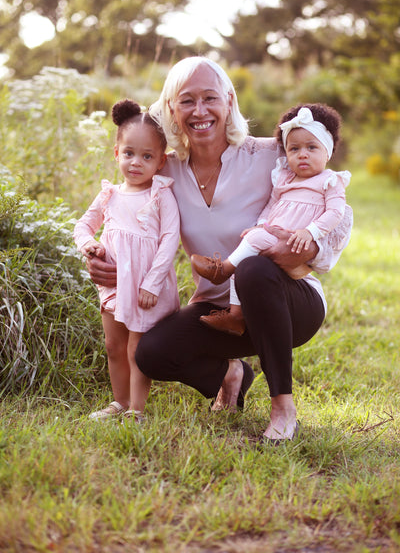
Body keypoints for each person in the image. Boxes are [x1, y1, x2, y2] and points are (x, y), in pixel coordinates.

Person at [87, 57, 352, 444]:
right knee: (152, 353)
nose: (200, 111)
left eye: (210, 98)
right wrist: (106, 262)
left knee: (252, 270)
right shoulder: (164, 171)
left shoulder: (269, 156)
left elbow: (337, 204)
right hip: (215, 309)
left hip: (287, 301)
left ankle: (283, 407)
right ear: (171, 110)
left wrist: (311, 247)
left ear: (228, 101)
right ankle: (232, 375)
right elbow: (126, 217)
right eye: (187, 100)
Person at [191, 104, 351, 337]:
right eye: (294, 149)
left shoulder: (330, 181)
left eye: (311, 147)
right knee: (247, 253)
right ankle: (236, 316)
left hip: (295, 241)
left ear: (327, 152)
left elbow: (336, 213)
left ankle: (223, 269)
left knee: (250, 247)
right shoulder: (285, 178)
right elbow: (271, 205)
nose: (302, 154)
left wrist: (310, 232)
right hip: (274, 232)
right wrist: (260, 224)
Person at [74, 99, 180, 422]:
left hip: (144, 289)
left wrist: (152, 283)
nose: (136, 162)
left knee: (136, 349)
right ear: (116, 153)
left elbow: (169, 241)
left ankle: (136, 410)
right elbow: (83, 226)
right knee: (113, 345)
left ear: (161, 161)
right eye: (130, 153)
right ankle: (118, 402)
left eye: (147, 156)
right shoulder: (109, 195)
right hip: (113, 286)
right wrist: (88, 245)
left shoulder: (160, 195)